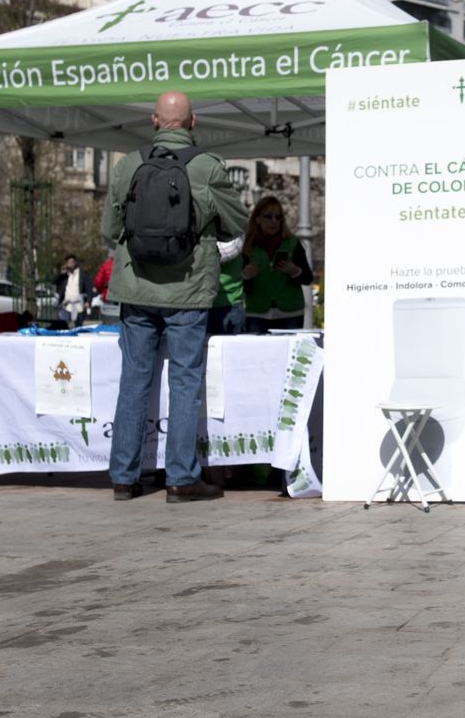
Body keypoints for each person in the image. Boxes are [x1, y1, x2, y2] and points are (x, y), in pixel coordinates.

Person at [102, 90, 250, 504]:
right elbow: (238, 222)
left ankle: (123, 478)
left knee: (134, 380)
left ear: (153, 121)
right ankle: (181, 479)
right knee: (185, 382)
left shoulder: (128, 165)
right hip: (189, 288)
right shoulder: (207, 168)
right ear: (193, 122)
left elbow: (109, 229)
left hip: (136, 286)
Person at [240, 198, 313, 333]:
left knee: (289, 354)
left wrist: (295, 271)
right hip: (257, 313)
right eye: (268, 216)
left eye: (278, 217)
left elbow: (308, 278)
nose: (274, 221)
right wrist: (245, 276)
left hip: (291, 314)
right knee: (257, 354)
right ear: (257, 219)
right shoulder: (247, 247)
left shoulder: (292, 243)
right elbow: (240, 286)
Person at [53, 254, 90, 326]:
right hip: (66, 305)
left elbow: (88, 288)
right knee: (63, 325)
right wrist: (61, 274)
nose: (70, 264)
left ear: (75, 263)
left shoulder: (82, 275)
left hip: (79, 305)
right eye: (68, 262)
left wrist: (88, 301)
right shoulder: (64, 276)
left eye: (72, 262)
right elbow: (54, 282)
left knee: (78, 327)